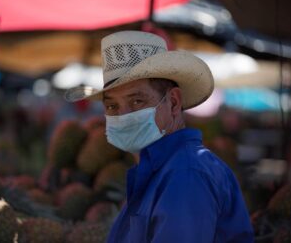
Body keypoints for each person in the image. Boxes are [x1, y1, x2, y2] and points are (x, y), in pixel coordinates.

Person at [66, 31, 254, 243]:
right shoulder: (158, 172)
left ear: (173, 102)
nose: (123, 115)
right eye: (112, 106)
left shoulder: (186, 174)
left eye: (137, 101)